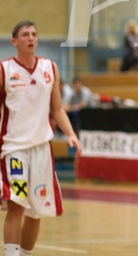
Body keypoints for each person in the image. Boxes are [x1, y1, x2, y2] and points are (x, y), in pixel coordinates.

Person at [0, 20, 82, 256]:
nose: (31, 38)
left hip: (42, 149)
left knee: (36, 211)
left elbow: (56, 109)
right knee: (16, 204)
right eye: (25, 34)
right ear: (15, 41)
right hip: (14, 148)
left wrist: (71, 134)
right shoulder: (5, 70)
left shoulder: (50, 68)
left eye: (34, 34)